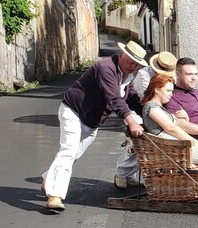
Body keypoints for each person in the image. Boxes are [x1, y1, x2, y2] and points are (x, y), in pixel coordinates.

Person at [41, 41, 147, 211]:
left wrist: (149, 113)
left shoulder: (127, 76)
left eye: (136, 64)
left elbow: (132, 99)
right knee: (68, 151)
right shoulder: (105, 68)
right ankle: (54, 195)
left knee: (73, 154)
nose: (132, 66)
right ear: (121, 55)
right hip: (74, 112)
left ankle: (48, 180)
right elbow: (114, 99)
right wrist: (132, 121)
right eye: (129, 61)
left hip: (92, 121)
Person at [114, 51, 178, 189]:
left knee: (149, 147)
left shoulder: (171, 76)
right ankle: (122, 173)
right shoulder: (144, 74)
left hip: (158, 112)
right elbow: (148, 100)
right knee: (137, 144)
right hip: (139, 110)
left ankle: (130, 175)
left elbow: (170, 96)